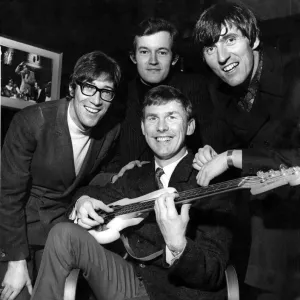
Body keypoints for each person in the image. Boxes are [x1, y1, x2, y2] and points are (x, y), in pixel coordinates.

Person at [31, 85, 234, 300]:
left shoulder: (211, 181)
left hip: (175, 292)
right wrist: (83, 201)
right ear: (143, 128)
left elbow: (214, 271)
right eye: (153, 119)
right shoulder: (135, 175)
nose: (161, 127)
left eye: (172, 117)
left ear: (190, 126)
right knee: (63, 234)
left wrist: (178, 246)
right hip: (129, 281)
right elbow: (89, 192)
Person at [193, 3, 300, 300]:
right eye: (210, 48)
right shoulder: (219, 90)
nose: (222, 57)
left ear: (253, 39)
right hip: (256, 238)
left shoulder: (294, 77)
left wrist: (230, 158)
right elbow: (225, 141)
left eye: (230, 40)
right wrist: (208, 153)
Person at [0, 50, 123, 300]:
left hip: (56, 230)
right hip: (14, 228)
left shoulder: (110, 131)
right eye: (89, 87)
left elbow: (88, 180)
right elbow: (8, 194)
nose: (96, 100)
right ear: (72, 87)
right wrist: (16, 261)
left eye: (106, 92)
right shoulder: (31, 121)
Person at [95, 17, 213, 185]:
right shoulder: (120, 95)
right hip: (131, 192)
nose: (153, 61)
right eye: (144, 51)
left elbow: (210, 146)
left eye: (162, 52)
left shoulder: (194, 87)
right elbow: (106, 155)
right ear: (133, 57)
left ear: (174, 58)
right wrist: (118, 174)